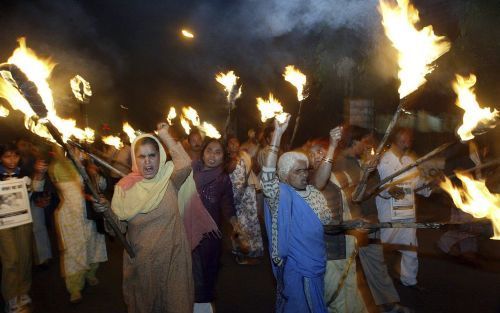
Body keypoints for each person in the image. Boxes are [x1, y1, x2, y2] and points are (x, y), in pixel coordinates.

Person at [94, 123, 194, 313]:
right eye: (141, 156)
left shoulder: (169, 179)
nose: (147, 162)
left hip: (174, 261)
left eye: (152, 155)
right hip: (144, 266)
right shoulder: (124, 188)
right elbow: (117, 229)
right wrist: (106, 211)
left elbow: (186, 163)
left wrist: (165, 135)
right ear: (135, 159)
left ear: (160, 156)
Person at [261, 115, 332, 313]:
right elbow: (267, 176)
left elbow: (327, 222)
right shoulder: (281, 194)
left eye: (305, 171)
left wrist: (353, 225)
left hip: (317, 263)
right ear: (284, 175)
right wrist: (277, 135)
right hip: (295, 266)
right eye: (297, 171)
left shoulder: (314, 193)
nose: (304, 175)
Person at [310, 127, 368, 313]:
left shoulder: (337, 176)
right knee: (335, 297)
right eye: (313, 152)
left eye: (321, 150)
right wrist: (350, 225)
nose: (318, 155)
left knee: (350, 289)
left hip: (346, 244)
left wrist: (367, 171)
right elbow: (321, 223)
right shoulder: (309, 181)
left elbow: (357, 195)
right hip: (327, 250)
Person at [49, 146, 108, 303]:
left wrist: (94, 173)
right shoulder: (58, 166)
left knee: (92, 244)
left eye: (77, 147)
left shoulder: (88, 165)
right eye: (73, 148)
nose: (77, 150)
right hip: (71, 216)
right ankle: (74, 287)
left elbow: (102, 187)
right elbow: (58, 186)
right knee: (74, 249)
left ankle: (90, 273)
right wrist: (74, 165)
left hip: (90, 214)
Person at [375, 128, 432, 289]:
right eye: (406, 135)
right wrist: (389, 190)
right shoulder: (382, 160)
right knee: (382, 248)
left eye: (410, 136)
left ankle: (409, 280)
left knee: (410, 248)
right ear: (397, 138)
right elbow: (377, 187)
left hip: (407, 213)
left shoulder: (409, 161)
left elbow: (418, 185)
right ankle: (378, 281)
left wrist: (431, 184)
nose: (410, 138)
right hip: (389, 214)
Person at [191, 138, 238, 312]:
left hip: (210, 237)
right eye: (209, 150)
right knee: (187, 274)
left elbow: (228, 205)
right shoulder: (189, 171)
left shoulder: (223, 179)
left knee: (206, 274)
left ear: (223, 157)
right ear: (202, 152)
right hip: (186, 232)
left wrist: (235, 224)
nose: (212, 156)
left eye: (218, 152)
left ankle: (204, 306)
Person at [0, 143, 46, 313]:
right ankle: (11, 297)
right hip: (3, 225)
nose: (12, 160)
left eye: (15, 156)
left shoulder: (24, 174)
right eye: (7, 156)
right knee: (10, 259)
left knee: (25, 257)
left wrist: (39, 174)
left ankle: (23, 292)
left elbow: (34, 192)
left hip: (23, 221)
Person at [227, 136, 263, 264]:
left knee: (252, 222)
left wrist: (250, 158)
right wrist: (235, 158)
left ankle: (254, 252)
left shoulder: (245, 156)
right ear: (227, 147)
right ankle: (240, 252)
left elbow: (251, 171)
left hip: (247, 193)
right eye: (231, 143)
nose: (234, 145)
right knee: (239, 224)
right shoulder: (228, 160)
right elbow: (229, 170)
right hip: (234, 195)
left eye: (236, 142)